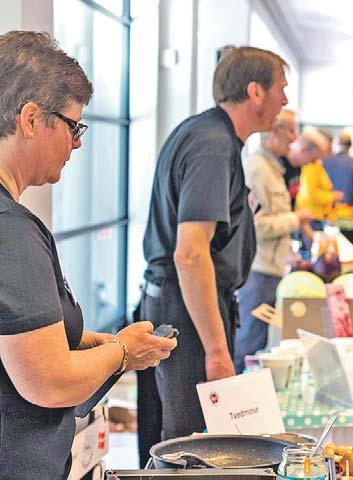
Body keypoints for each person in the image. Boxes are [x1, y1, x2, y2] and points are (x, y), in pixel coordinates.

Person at [0, 31, 176, 479]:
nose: (77, 144)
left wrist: (89, 344)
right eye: (73, 126)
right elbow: (47, 381)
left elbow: (15, 341)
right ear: (31, 119)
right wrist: (122, 351)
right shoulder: (11, 230)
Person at [137, 45, 288, 465]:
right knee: (191, 447)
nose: (285, 100)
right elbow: (190, 254)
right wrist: (217, 351)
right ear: (255, 91)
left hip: (180, 301)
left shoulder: (210, 135)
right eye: (281, 88)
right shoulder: (213, 144)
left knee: (176, 438)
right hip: (184, 306)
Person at [234, 109, 312, 372]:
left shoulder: (272, 168)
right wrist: (296, 219)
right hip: (258, 271)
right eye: (291, 130)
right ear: (273, 131)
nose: (294, 138)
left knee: (256, 343)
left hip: (271, 269)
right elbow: (256, 225)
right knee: (247, 345)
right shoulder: (257, 168)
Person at [293, 127, 342, 229]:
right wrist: (333, 196)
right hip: (310, 217)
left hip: (317, 216)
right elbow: (311, 195)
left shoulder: (317, 163)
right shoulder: (310, 165)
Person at [322, 130, 353, 206]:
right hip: (350, 208)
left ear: (338, 144)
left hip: (331, 207)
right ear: (350, 145)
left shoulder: (326, 161)